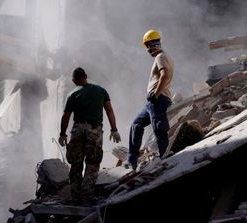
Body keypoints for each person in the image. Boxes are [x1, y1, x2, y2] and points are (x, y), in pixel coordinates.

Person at [58, 67, 121, 204]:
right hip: (94, 130)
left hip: (77, 130)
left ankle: (75, 196)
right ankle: (87, 195)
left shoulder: (72, 94)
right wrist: (114, 129)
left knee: (76, 163)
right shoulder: (101, 91)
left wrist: (62, 134)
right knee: (92, 163)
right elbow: (109, 110)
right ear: (86, 76)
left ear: (73, 81)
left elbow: (66, 117)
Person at [125, 29, 174, 170]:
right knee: (137, 124)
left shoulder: (161, 57)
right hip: (153, 101)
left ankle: (164, 154)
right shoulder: (163, 56)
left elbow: (164, 75)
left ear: (153, 44)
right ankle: (131, 159)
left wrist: (156, 93)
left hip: (158, 98)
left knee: (159, 126)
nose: (147, 50)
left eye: (148, 45)